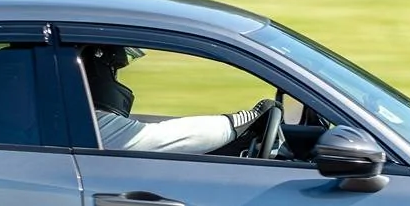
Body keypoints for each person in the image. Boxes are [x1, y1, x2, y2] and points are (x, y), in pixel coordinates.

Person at [80, 44, 277, 155]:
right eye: (112, 71)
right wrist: (240, 122)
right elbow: (161, 138)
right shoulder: (88, 126)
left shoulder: (72, 120)